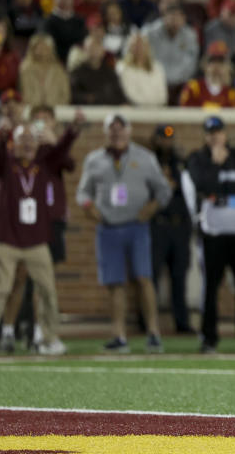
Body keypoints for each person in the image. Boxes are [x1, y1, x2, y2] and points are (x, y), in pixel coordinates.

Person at [0, 110, 82, 356]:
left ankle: (49, 338)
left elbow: (61, 152)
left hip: (36, 240)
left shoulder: (43, 164)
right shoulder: (7, 164)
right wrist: (4, 131)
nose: (27, 144)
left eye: (31, 140)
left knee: (48, 290)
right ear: (13, 144)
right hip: (7, 239)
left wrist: (72, 130)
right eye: (22, 140)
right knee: (0, 289)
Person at [76, 113, 172, 353]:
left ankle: (153, 333)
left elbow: (163, 190)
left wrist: (151, 208)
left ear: (129, 131)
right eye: (112, 129)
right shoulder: (94, 159)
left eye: (121, 128)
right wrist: (89, 208)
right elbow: (83, 192)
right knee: (115, 283)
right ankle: (119, 336)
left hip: (136, 226)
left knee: (144, 278)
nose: (117, 133)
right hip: (108, 227)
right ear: (105, 132)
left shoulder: (145, 157)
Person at [184, 116, 235, 353]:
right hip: (214, 231)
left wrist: (220, 186)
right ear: (205, 136)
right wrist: (217, 169)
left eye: (218, 132)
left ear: (225, 134)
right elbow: (202, 184)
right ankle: (209, 338)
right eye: (210, 133)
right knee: (211, 285)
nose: (215, 136)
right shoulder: (198, 159)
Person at [149, 124, 194, 335]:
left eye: (170, 138)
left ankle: (182, 322)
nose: (167, 142)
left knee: (179, 276)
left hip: (179, 225)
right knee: (152, 275)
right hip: (158, 224)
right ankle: (148, 322)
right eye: (163, 138)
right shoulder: (150, 162)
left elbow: (187, 190)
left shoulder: (181, 163)